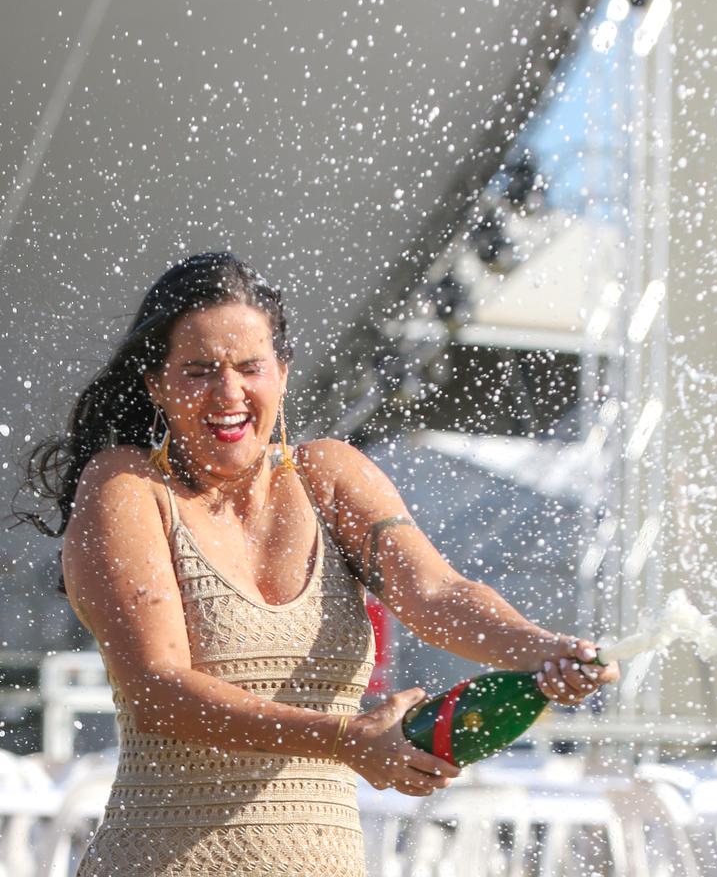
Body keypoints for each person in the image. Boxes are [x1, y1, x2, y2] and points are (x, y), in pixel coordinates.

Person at [22, 252, 619, 876]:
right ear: (156, 383)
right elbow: (159, 692)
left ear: (282, 372)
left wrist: (542, 650)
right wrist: (346, 739)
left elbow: (438, 594)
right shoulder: (125, 486)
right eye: (199, 371)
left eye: (250, 366)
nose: (229, 393)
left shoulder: (330, 476)